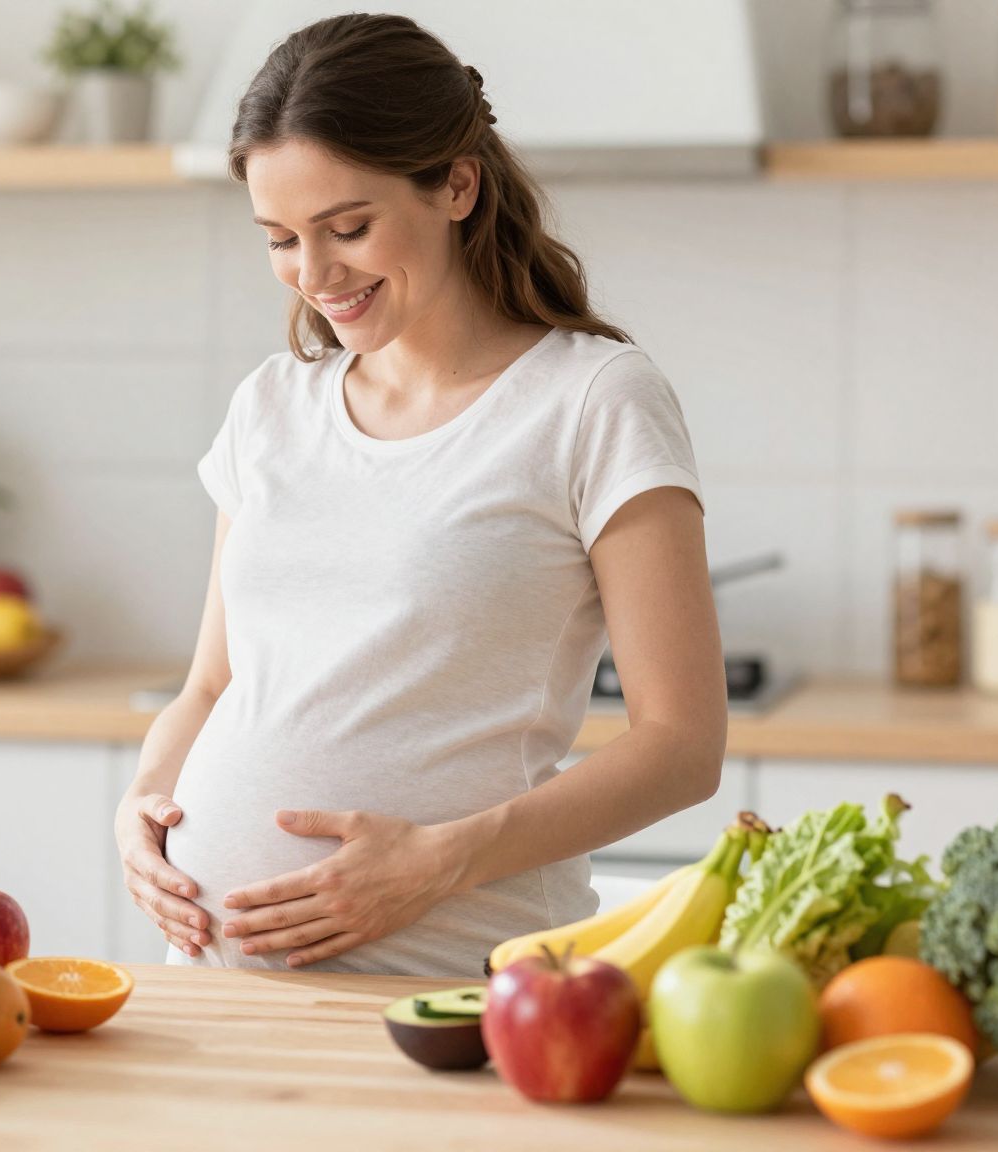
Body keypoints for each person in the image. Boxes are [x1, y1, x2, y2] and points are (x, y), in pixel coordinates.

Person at [112, 13, 728, 977]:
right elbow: (211, 687)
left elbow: (683, 745)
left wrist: (440, 861)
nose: (315, 276)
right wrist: (141, 806)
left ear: (456, 186)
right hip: (213, 993)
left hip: (445, 990)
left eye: (348, 228)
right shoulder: (272, 405)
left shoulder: (592, 399)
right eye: (280, 239)